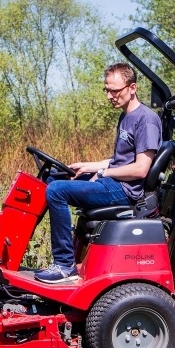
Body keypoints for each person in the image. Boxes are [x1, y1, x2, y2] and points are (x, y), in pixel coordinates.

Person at [34, 63, 162, 283]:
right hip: (115, 181)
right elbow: (121, 159)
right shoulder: (126, 116)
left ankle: (64, 265)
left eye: (115, 91)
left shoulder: (146, 120)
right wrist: (89, 166)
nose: (109, 96)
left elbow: (141, 169)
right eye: (107, 90)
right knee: (52, 177)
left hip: (125, 190)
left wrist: (103, 172)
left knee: (56, 191)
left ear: (132, 88)